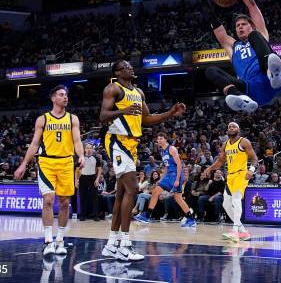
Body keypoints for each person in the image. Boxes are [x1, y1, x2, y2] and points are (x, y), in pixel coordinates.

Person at [100, 60, 186, 261]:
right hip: (116, 141)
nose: (131, 68)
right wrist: (123, 111)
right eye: (126, 66)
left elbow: (146, 119)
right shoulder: (113, 88)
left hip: (132, 144)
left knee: (122, 194)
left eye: (131, 66)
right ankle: (125, 245)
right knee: (133, 189)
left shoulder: (139, 92)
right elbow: (103, 116)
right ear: (118, 72)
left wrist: (170, 113)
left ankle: (111, 244)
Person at [13, 85, 85, 256]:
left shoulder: (72, 119)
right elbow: (34, 144)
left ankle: (60, 240)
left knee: (65, 203)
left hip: (67, 162)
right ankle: (47, 241)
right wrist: (23, 164)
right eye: (61, 95)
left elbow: (76, 140)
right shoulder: (43, 119)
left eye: (66, 95)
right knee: (48, 200)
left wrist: (81, 155)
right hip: (46, 162)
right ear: (53, 98)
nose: (65, 97)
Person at [195, 0, 281, 113]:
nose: (240, 27)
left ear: (252, 25)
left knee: (254, 36)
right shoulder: (232, 45)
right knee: (210, 70)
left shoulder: (259, 33)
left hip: (271, 79)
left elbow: (252, 5)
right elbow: (213, 22)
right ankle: (240, 98)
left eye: (243, 24)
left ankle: (272, 72)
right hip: (251, 90)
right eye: (238, 26)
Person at [202, 122, 258, 242]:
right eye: (229, 127)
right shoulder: (225, 144)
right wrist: (209, 168)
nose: (231, 128)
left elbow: (254, 158)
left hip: (241, 174)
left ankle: (235, 231)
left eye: (234, 127)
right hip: (230, 176)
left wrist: (251, 170)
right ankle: (243, 232)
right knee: (226, 204)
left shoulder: (244, 142)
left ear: (238, 129)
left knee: (236, 200)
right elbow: (220, 162)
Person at [136, 133, 196, 227]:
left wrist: (177, 180)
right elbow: (167, 167)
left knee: (170, 195)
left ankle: (147, 216)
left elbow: (179, 164)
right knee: (170, 196)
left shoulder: (171, 149)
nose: (159, 140)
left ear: (165, 139)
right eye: (158, 139)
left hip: (175, 175)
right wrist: (161, 178)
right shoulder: (162, 151)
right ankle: (191, 219)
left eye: (161, 139)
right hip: (169, 175)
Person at [76, 143, 103, 221]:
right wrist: (76, 180)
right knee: (82, 198)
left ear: (92, 149)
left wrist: (97, 179)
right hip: (83, 178)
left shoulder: (96, 158)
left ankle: (95, 215)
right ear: (84, 149)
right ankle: (82, 215)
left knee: (95, 198)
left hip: (92, 177)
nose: (89, 149)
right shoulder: (81, 158)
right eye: (87, 148)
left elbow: (100, 169)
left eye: (90, 148)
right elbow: (77, 170)